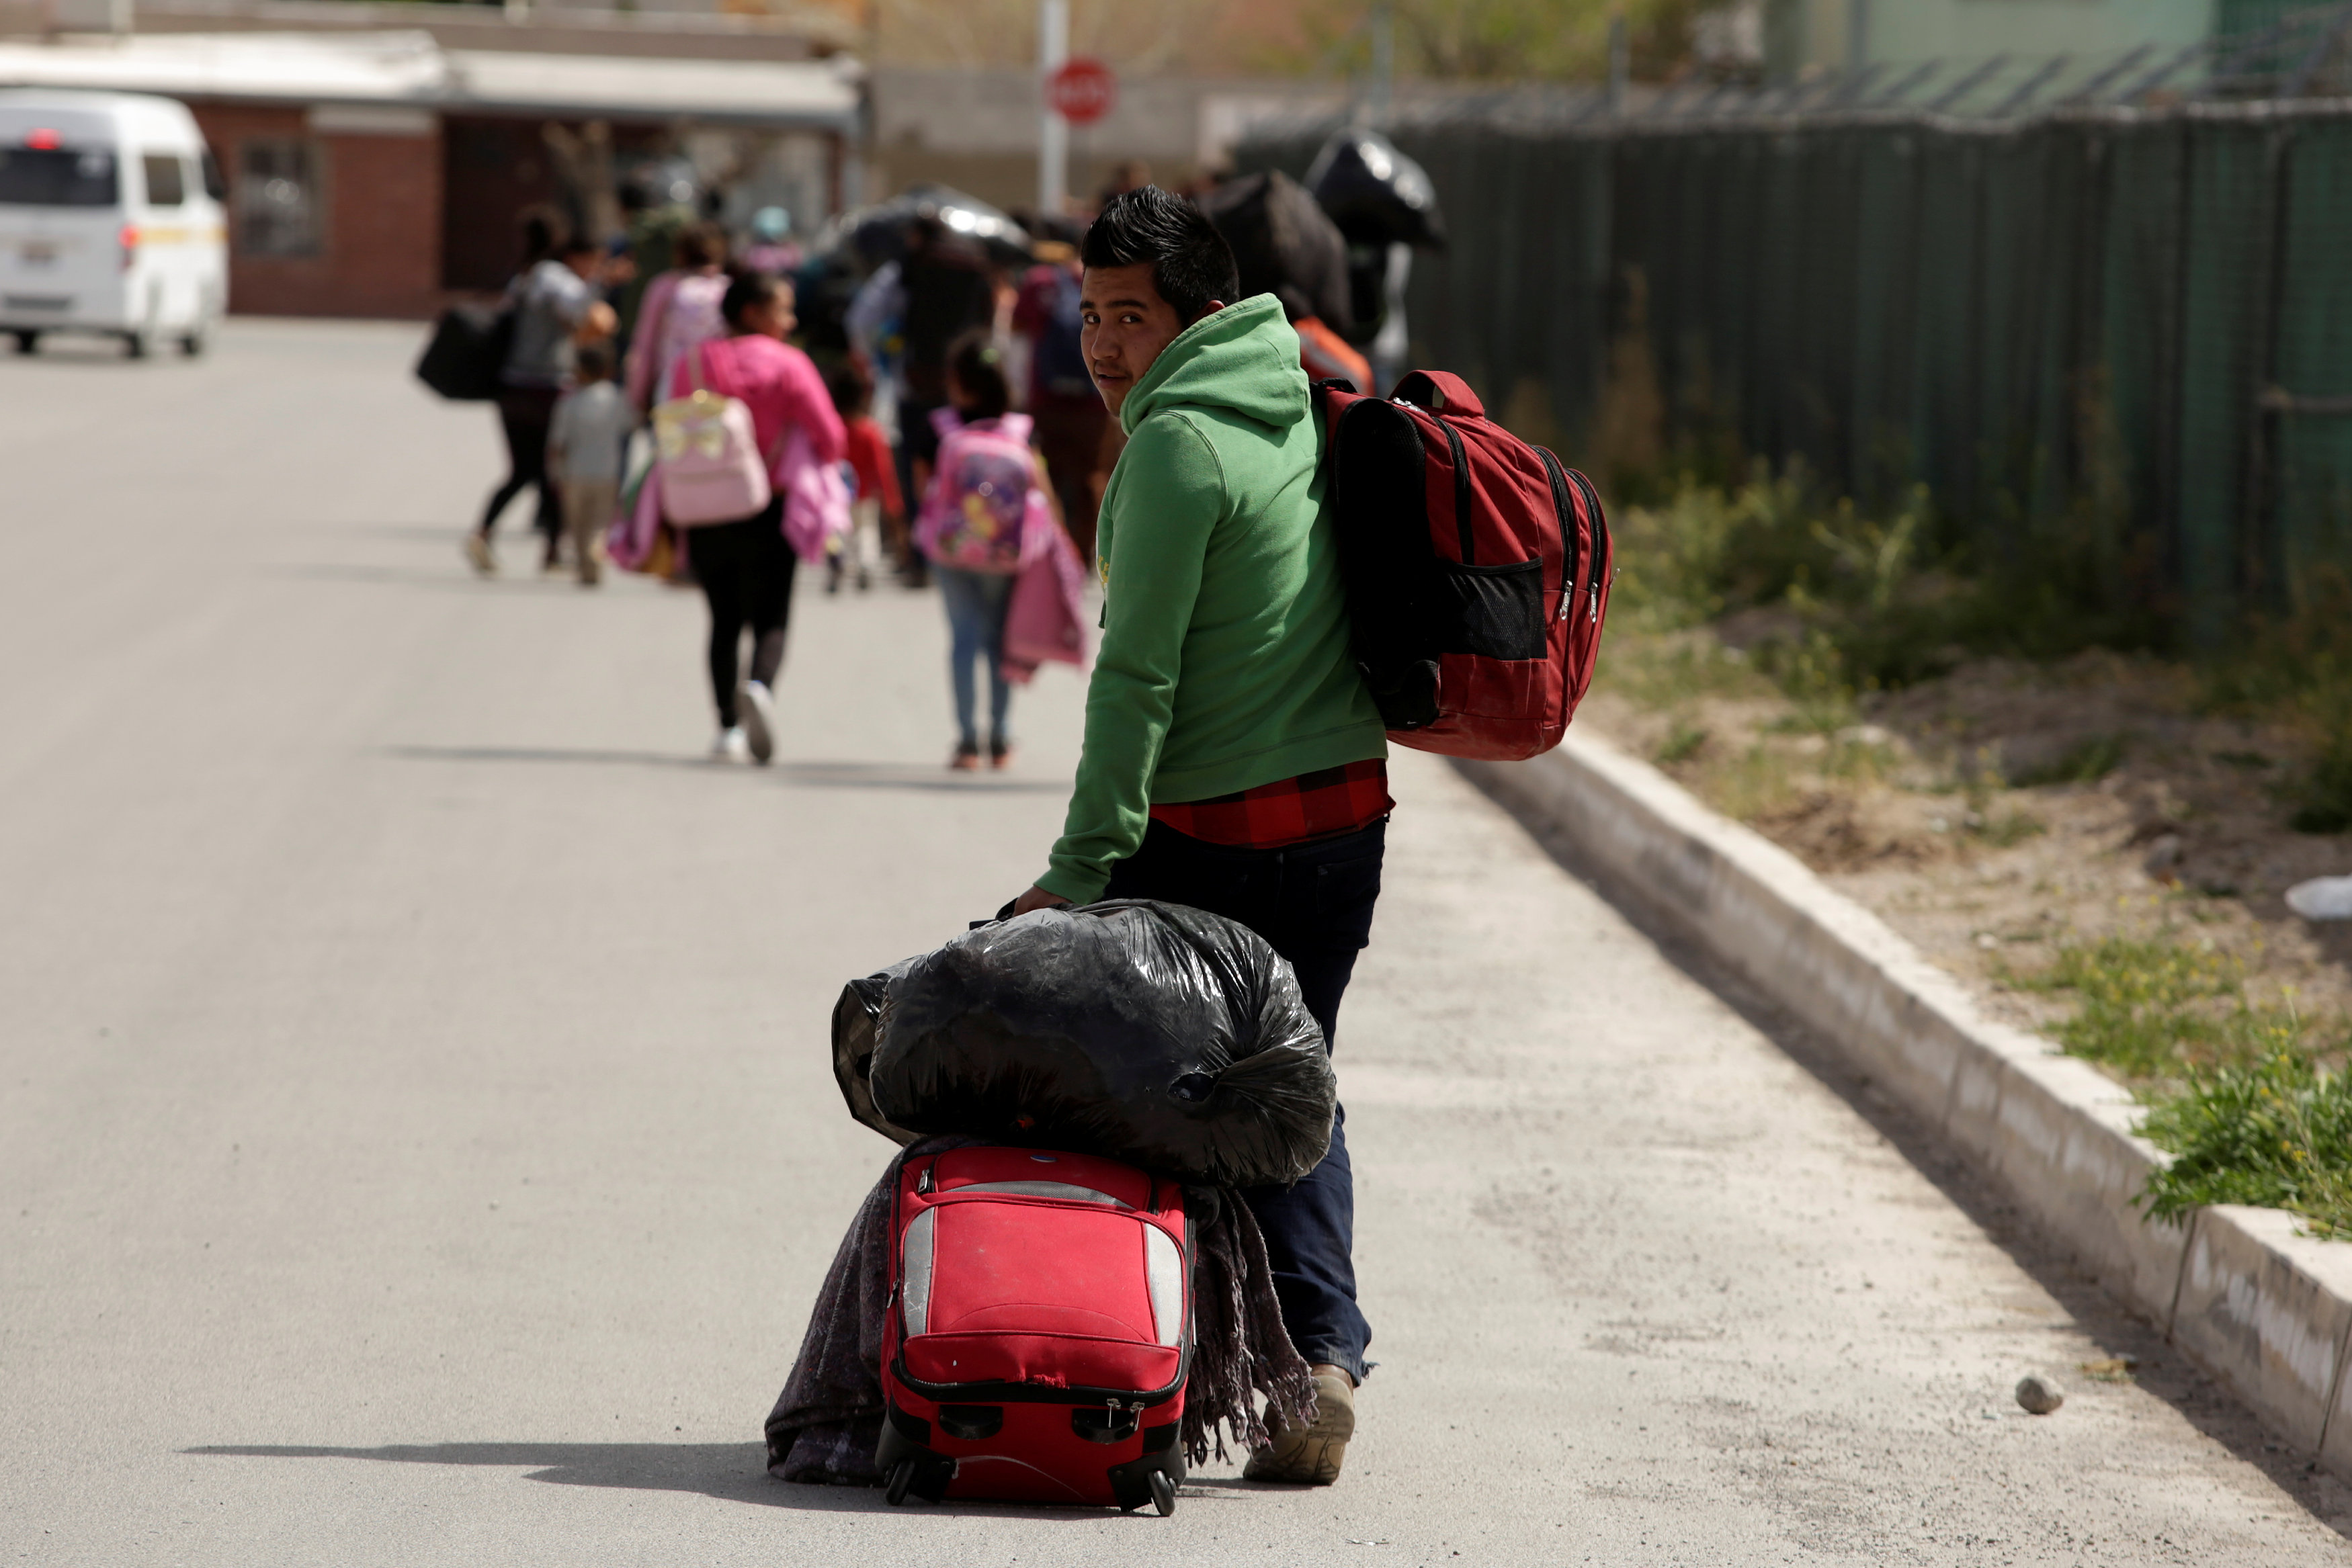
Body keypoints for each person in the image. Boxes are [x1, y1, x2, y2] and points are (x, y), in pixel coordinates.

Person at [1005, 187, 1389, 1485]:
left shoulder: (1174, 441)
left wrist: (1079, 869)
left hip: (1212, 835)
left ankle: (1143, 1366)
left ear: (1194, 314)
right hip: (1342, 823)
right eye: (1090, 313)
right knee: (1294, 1081)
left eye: (1132, 315)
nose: (1105, 344)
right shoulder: (1293, 385)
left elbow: (1137, 679)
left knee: (1156, 1097)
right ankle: (1322, 1358)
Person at [664, 270, 846, 764]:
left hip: (707, 507)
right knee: (772, 616)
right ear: (752, 313)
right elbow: (831, 438)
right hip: (773, 505)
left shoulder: (694, 363)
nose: (790, 321)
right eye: (781, 310)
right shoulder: (791, 365)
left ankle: (727, 730)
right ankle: (760, 688)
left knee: (723, 619)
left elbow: (675, 426)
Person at [917, 332, 1043, 771]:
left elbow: (925, 489)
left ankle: (967, 742)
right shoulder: (1021, 430)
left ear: (957, 381)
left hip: (951, 550)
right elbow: (1038, 491)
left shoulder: (940, 429)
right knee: (998, 642)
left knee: (963, 640)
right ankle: (1001, 739)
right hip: (1004, 552)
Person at [468, 217, 617, 576]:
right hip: (544, 387)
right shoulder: (554, 277)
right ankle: (525, 543)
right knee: (546, 472)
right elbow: (580, 310)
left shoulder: (526, 275)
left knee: (527, 471)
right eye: (591, 262)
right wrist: (601, 284)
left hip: (514, 385)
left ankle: (536, 546)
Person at [1013, 226, 1110, 565]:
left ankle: (1047, 553)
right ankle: (1085, 556)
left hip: (1045, 399)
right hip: (1093, 399)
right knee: (1089, 480)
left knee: (1046, 479)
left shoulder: (1038, 281)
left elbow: (1017, 337)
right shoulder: (1101, 278)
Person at [546, 341, 632, 587]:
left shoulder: (569, 402)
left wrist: (554, 472)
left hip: (574, 473)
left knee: (578, 523)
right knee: (599, 522)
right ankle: (596, 551)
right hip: (608, 472)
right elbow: (631, 423)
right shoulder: (616, 399)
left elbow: (557, 444)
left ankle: (585, 567)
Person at [625, 220, 729, 417]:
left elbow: (644, 344)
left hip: (671, 386)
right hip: (719, 386)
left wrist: (637, 394)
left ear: (680, 253)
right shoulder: (727, 289)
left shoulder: (666, 287)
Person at [825, 363, 901, 595]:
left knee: (835, 531)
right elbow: (882, 468)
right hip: (864, 493)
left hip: (834, 493)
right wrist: (892, 499)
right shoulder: (870, 431)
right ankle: (866, 565)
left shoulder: (831, 428)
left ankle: (837, 560)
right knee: (866, 530)